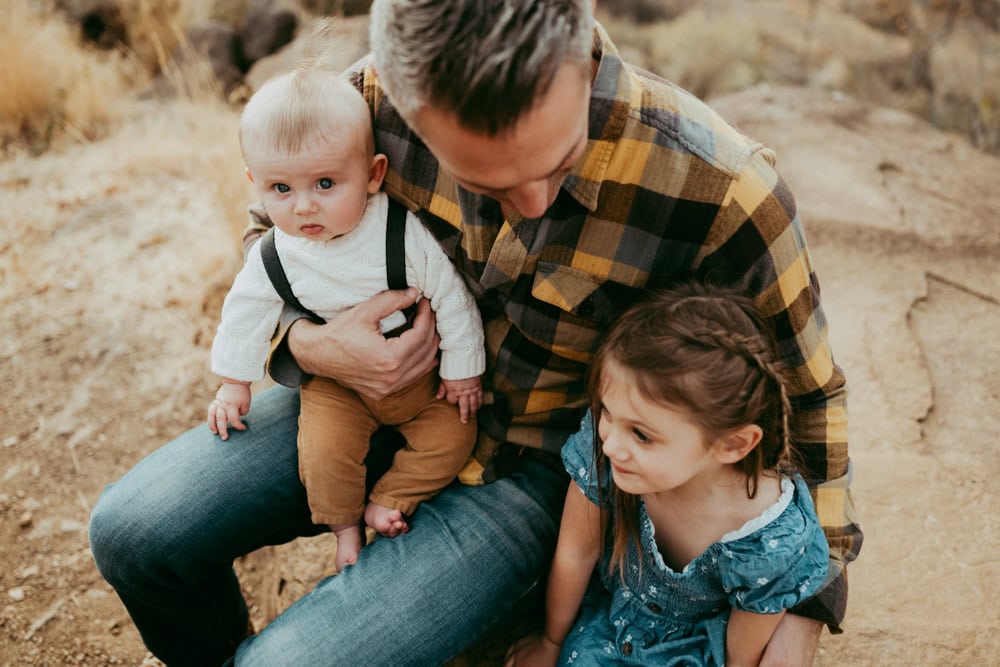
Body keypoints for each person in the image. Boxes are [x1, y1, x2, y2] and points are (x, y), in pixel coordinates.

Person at [88, 1, 861, 665]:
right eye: (486, 182)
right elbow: (270, 240)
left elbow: (810, 393)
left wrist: (810, 599)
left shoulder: (722, 192)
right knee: (131, 533)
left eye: (559, 167)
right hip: (357, 399)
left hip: (533, 475)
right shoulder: (364, 104)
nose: (529, 204)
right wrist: (306, 345)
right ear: (401, 110)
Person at [206, 63, 485, 571]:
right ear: (257, 185)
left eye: (327, 183)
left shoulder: (398, 232)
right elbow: (245, 312)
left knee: (455, 436)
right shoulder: (276, 253)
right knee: (321, 453)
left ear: (374, 175)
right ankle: (345, 527)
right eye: (281, 190)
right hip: (336, 387)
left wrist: (463, 369)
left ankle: (391, 498)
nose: (304, 207)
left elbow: (451, 296)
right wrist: (233, 383)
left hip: (424, 384)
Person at [504, 284, 830, 667]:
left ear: (732, 445)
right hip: (608, 631)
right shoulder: (613, 454)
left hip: (693, 652)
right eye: (608, 412)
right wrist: (551, 640)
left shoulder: (768, 541)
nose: (610, 446)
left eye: (642, 435)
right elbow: (578, 550)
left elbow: (739, 656)